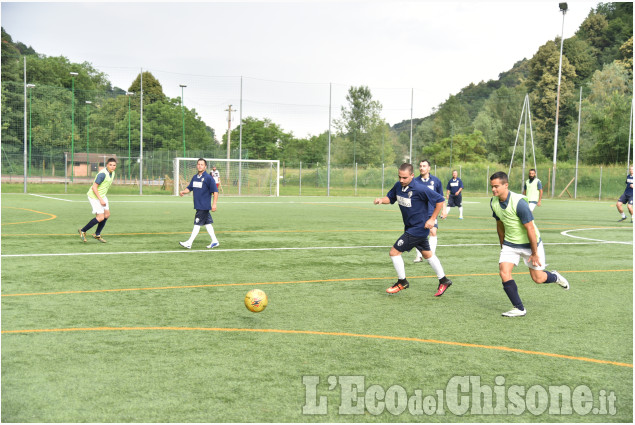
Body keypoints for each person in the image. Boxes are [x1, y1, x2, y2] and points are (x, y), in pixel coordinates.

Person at [489, 171, 569, 317]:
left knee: (538, 278)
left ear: (506, 185)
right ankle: (519, 308)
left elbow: (530, 229)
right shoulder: (493, 202)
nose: (493, 189)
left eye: (496, 186)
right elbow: (500, 225)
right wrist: (503, 246)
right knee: (503, 271)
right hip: (510, 244)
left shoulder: (519, 203)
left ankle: (555, 277)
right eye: (492, 187)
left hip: (530, 244)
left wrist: (534, 253)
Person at [374, 163, 453, 297]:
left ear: (412, 175)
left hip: (418, 228)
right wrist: (382, 200)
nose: (401, 180)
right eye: (399, 177)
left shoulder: (420, 189)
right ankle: (444, 280)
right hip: (410, 226)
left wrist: (432, 219)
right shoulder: (398, 186)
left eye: (404, 178)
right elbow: (391, 198)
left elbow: (440, 200)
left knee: (394, 252)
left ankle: (402, 282)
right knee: (428, 255)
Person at [179, 158, 219, 249]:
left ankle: (189, 243)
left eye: (202, 164)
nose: (199, 166)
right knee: (208, 224)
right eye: (198, 164)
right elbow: (190, 188)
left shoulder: (209, 178)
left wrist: (214, 204)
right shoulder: (195, 177)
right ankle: (215, 241)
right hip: (198, 205)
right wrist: (183, 192)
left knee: (197, 224)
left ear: (205, 166)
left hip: (203, 206)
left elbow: (215, 192)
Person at [78, 158, 117, 243]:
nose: (112, 167)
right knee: (100, 217)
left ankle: (97, 234)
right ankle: (83, 230)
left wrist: (102, 198)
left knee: (106, 215)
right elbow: (94, 187)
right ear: (107, 165)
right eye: (110, 165)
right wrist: (100, 200)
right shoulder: (102, 174)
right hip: (94, 196)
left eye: (114, 165)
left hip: (102, 196)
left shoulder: (112, 173)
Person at [413, 159, 445, 262]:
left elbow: (441, 197)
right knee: (419, 233)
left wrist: (443, 210)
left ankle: (432, 255)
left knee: (433, 231)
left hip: (432, 211)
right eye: (420, 166)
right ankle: (419, 255)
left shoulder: (436, 181)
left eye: (424, 166)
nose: (422, 168)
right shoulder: (415, 181)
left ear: (429, 168)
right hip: (419, 212)